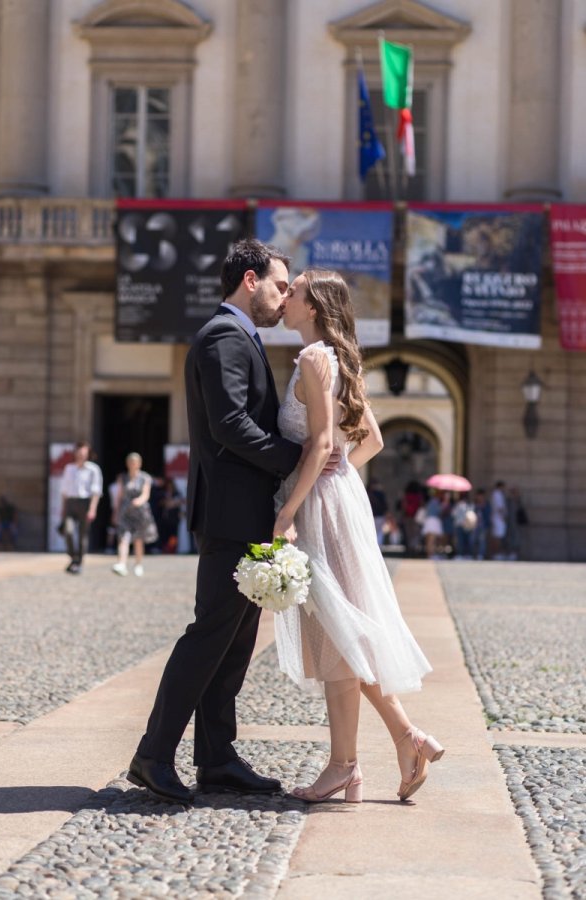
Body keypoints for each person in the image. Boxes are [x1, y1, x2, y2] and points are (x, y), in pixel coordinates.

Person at [127, 239, 304, 805]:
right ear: (249, 281)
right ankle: (154, 755)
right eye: (280, 285)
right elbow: (230, 424)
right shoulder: (225, 336)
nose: (284, 298)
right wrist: (293, 458)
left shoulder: (240, 337)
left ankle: (217, 758)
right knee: (209, 636)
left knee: (233, 641)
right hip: (230, 512)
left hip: (241, 510)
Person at [273, 269, 442, 804]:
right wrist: (339, 466)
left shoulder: (312, 358)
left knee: (335, 634)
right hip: (341, 499)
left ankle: (347, 763)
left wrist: (288, 511)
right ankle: (400, 741)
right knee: (339, 632)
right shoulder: (337, 359)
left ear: (315, 305)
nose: (285, 297)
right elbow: (370, 440)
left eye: (294, 291)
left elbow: (323, 442)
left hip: (321, 508)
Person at [112, 453, 159, 577]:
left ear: (139, 463)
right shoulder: (122, 477)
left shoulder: (145, 477)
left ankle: (138, 564)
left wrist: (139, 500)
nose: (132, 465)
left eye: (135, 462)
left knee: (138, 540)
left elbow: (146, 493)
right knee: (123, 538)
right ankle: (121, 563)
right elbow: (119, 496)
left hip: (140, 512)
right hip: (125, 512)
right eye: (130, 462)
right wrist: (115, 511)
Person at [59, 442, 102, 574]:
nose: (81, 456)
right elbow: (64, 491)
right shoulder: (69, 468)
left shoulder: (93, 469)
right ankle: (73, 557)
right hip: (71, 503)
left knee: (83, 535)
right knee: (69, 531)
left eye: (83, 453)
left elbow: (96, 491)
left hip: (85, 503)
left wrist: (93, 509)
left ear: (88, 454)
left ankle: (79, 562)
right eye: (79, 453)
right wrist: (63, 508)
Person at [366, 477, 387, 545]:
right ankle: (379, 546)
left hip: (370, 515)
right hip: (379, 515)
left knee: (371, 531)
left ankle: (373, 545)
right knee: (379, 531)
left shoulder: (367, 494)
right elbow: (384, 505)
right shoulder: (380, 494)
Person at [490, 480, 507, 560]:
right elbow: (500, 507)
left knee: (497, 536)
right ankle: (496, 553)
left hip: (497, 518)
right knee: (497, 537)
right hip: (498, 518)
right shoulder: (497, 494)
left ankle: (496, 553)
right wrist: (503, 517)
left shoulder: (496, 494)